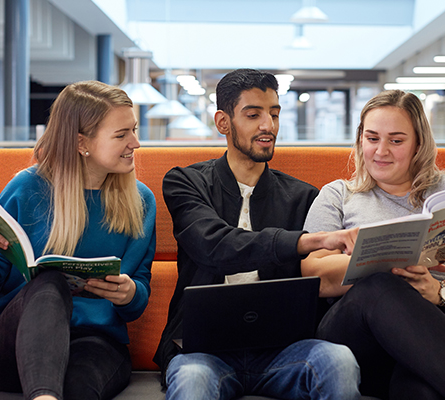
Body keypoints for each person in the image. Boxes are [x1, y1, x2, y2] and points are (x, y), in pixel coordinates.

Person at [154, 68, 361, 400]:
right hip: (203, 352)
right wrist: (306, 240)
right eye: (254, 115)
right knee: (191, 380)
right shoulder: (186, 183)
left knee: (339, 360)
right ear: (223, 123)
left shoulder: (304, 196)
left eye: (274, 114)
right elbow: (215, 246)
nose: (269, 126)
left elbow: (322, 276)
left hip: (283, 350)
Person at [301, 89, 445, 400]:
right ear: (360, 139)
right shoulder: (338, 196)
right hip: (367, 337)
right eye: (372, 138)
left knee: (419, 388)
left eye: (396, 140)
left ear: (419, 144)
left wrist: (439, 292)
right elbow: (314, 274)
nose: (381, 151)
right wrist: (382, 262)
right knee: (380, 283)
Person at [0, 80, 156, 400]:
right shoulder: (27, 188)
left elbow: (139, 297)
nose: (136, 143)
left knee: (80, 387)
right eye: (121, 135)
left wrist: (130, 293)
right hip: (13, 344)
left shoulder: (140, 201)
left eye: (133, 129)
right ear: (81, 143)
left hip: (94, 342)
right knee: (49, 281)